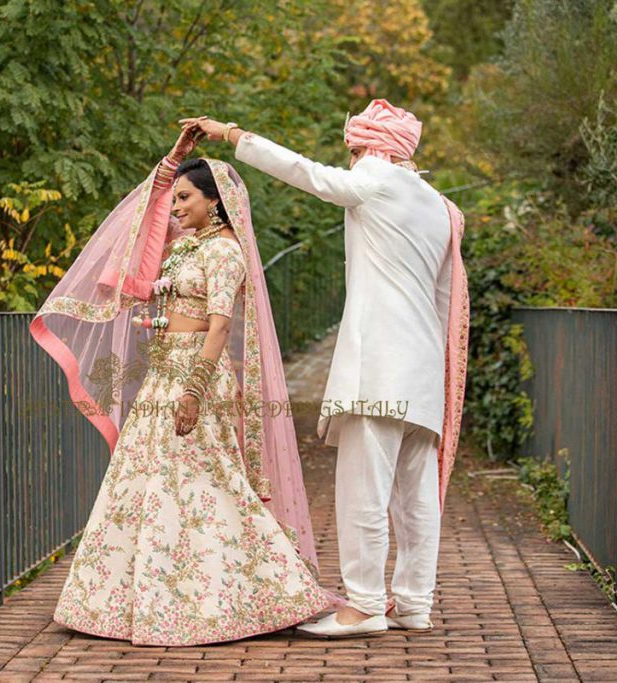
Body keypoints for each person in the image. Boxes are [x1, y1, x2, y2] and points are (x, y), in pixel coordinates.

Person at [29, 125, 342, 646]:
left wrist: (194, 389)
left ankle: (270, 591)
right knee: (148, 481)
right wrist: (173, 161)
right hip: (165, 373)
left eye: (185, 197)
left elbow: (220, 325)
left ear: (214, 202)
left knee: (208, 482)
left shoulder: (223, 253)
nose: (175, 207)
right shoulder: (189, 248)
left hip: (196, 378)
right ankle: (139, 600)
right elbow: (143, 227)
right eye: (174, 198)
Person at [182, 99, 469, 638]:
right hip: (425, 369)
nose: (352, 154)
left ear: (373, 146)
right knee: (416, 495)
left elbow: (308, 175)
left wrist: (232, 135)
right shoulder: (439, 205)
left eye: (356, 145)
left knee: (363, 487)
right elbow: (443, 299)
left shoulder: (376, 177)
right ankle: (413, 605)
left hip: (379, 367)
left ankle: (362, 605)